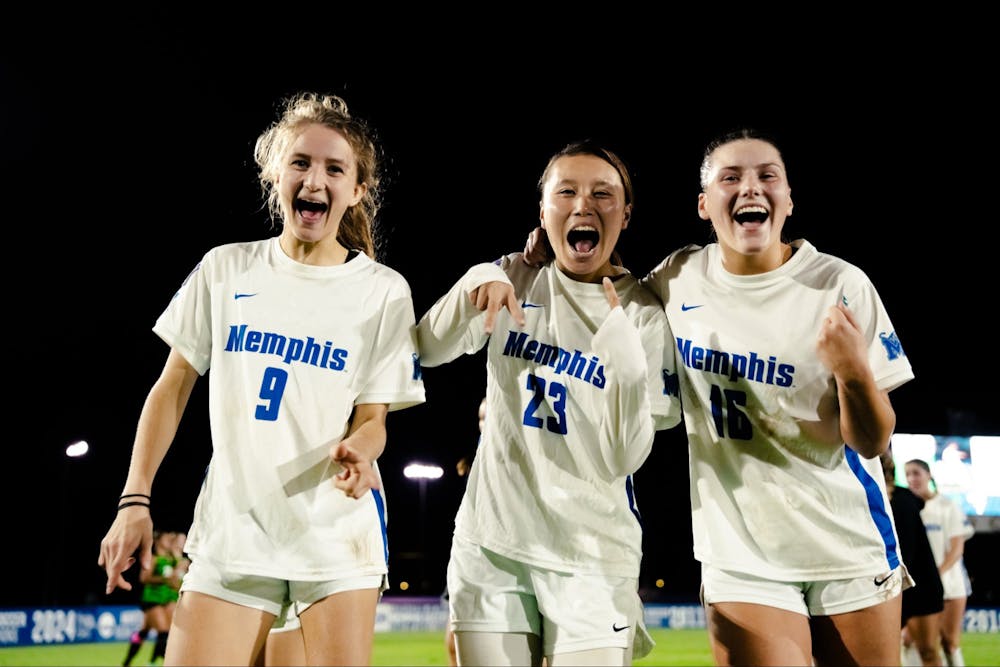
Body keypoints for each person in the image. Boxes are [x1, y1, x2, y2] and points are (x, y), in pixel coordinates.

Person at [524, 127, 915, 666]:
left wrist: (852, 374)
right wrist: (539, 253)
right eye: (730, 178)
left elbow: (872, 441)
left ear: (788, 200)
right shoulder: (679, 277)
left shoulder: (841, 285)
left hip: (847, 540)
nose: (750, 187)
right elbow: (602, 284)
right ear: (704, 205)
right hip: (740, 553)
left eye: (767, 176)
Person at [97, 91, 426, 666]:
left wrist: (361, 449)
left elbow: (374, 420)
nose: (314, 180)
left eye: (334, 169)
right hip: (234, 531)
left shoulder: (383, 291)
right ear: (275, 173)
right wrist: (135, 498)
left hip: (335, 537)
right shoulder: (225, 268)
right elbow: (172, 386)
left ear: (357, 190)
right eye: (300, 162)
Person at [418, 140, 683, 666]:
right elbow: (427, 348)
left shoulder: (644, 317)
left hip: (592, 556)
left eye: (602, 194)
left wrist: (627, 368)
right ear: (543, 212)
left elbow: (625, 457)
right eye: (566, 192)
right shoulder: (514, 279)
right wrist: (478, 276)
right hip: (492, 543)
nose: (583, 204)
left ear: (625, 214)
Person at [905, 458, 976, 667]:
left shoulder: (947, 506)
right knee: (910, 641)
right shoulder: (907, 507)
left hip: (951, 585)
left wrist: (934, 575)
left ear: (929, 476)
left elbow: (956, 549)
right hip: (919, 587)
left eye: (916, 473)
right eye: (907, 474)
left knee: (949, 642)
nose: (912, 478)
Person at [880, 451, 945, 666]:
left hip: (919, 585)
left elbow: (907, 549)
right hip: (883, 585)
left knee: (928, 651)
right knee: (885, 655)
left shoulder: (903, 500)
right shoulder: (858, 499)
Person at [444, 396, 486, 667]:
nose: (484, 423)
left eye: (488, 416)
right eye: (480, 418)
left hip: (504, 553)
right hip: (470, 550)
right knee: (453, 641)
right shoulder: (474, 458)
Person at [121, 530, 182, 666]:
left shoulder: (170, 560)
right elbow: (144, 578)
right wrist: (165, 579)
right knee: (164, 633)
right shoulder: (153, 558)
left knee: (144, 633)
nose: (169, 541)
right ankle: (152, 662)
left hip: (165, 599)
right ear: (158, 541)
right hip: (152, 599)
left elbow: (177, 576)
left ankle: (128, 662)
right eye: (167, 539)